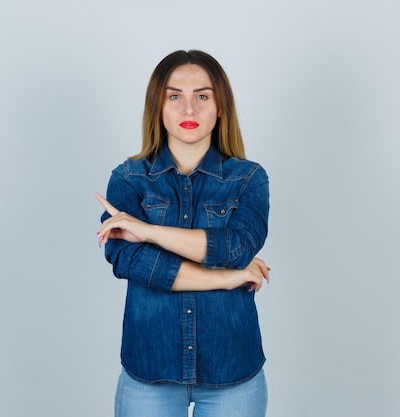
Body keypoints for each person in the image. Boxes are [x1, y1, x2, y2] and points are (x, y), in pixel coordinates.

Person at [96, 49, 271, 417]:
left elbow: (236, 246)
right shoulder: (127, 178)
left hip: (232, 371)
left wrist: (147, 230)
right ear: (157, 106)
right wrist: (228, 278)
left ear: (220, 106)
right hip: (149, 372)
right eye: (174, 96)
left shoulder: (250, 178)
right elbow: (133, 262)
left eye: (202, 96)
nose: (188, 110)